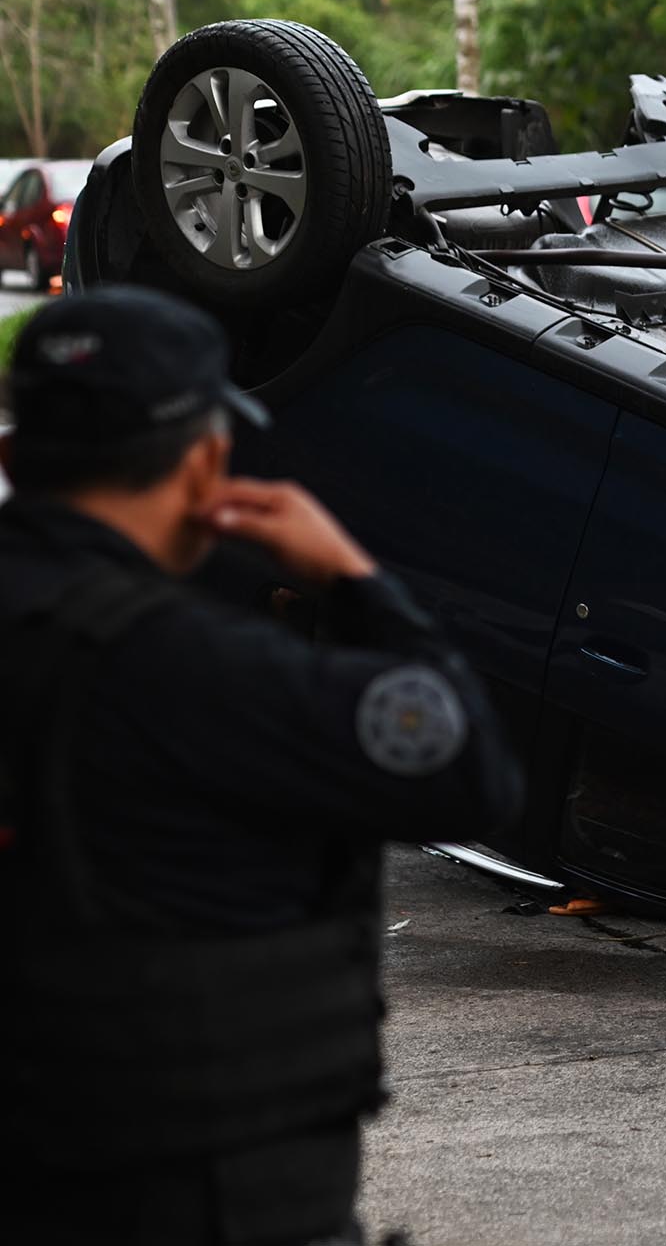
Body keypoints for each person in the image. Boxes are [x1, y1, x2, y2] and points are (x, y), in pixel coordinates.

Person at [0, 286, 522, 1245]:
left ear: (11, 456)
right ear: (206, 460)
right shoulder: (198, 669)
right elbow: (470, 772)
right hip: (194, 1195)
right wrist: (358, 585)